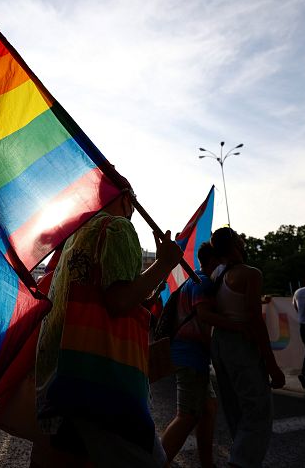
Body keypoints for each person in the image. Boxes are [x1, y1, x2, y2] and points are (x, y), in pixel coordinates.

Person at [34, 186, 183, 468]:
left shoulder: (78, 236)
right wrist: (165, 263)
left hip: (61, 374)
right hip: (100, 377)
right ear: (127, 200)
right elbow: (119, 301)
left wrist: (150, 289)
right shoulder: (117, 228)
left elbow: (101, 297)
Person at [209, 227, 284, 468]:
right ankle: (242, 461)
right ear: (234, 243)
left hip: (219, 344)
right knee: (257, 409)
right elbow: (253, 318)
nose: (243, 240)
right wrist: (272, 366)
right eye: (239, 237)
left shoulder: (216, 274)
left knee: (234, 408)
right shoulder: (251, 274)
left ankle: (241, 453)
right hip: (240, 344)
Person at [160, 242, 221, 468]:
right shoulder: (202, 282)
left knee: (207, 407)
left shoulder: (194, 279)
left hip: (188, 354)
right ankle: (157, 462)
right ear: (214, 261)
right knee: (187, 414)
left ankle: (207, 463)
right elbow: (204, 320)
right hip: (191, 354)